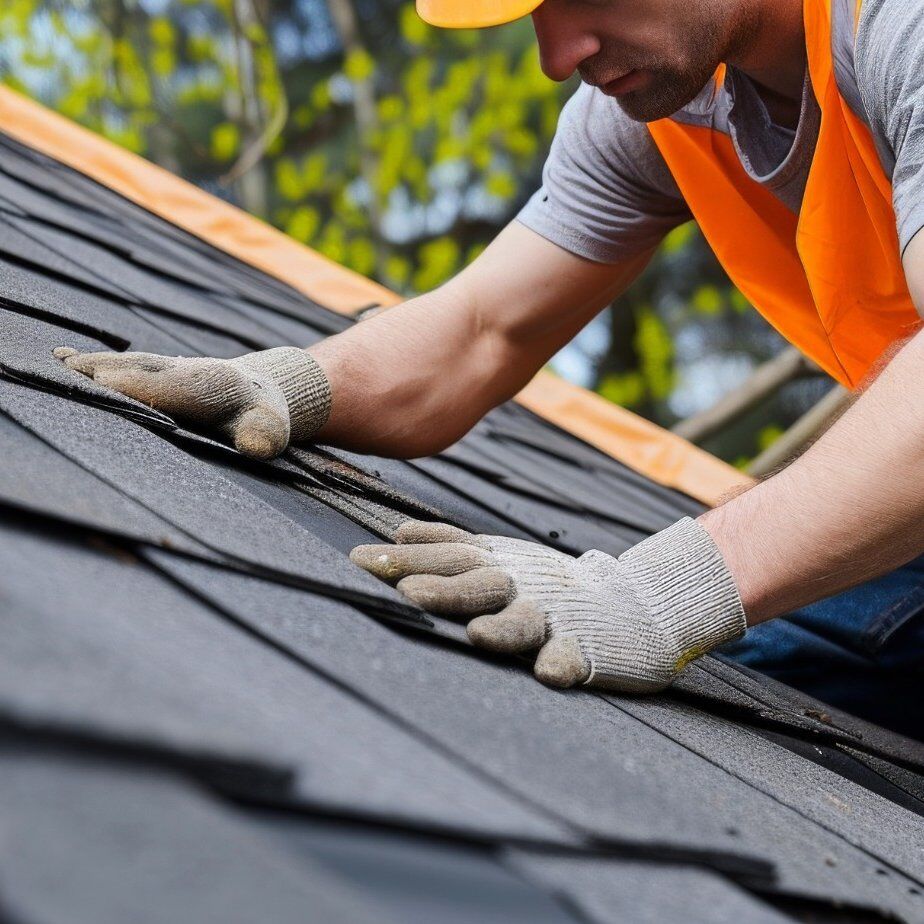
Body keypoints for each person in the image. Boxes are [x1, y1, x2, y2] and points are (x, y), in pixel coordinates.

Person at [57, 0, 924, 739]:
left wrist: (657, 594)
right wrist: (288, 385)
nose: (558, 57)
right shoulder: (672, 104)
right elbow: (481, 332)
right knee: (741, 696)